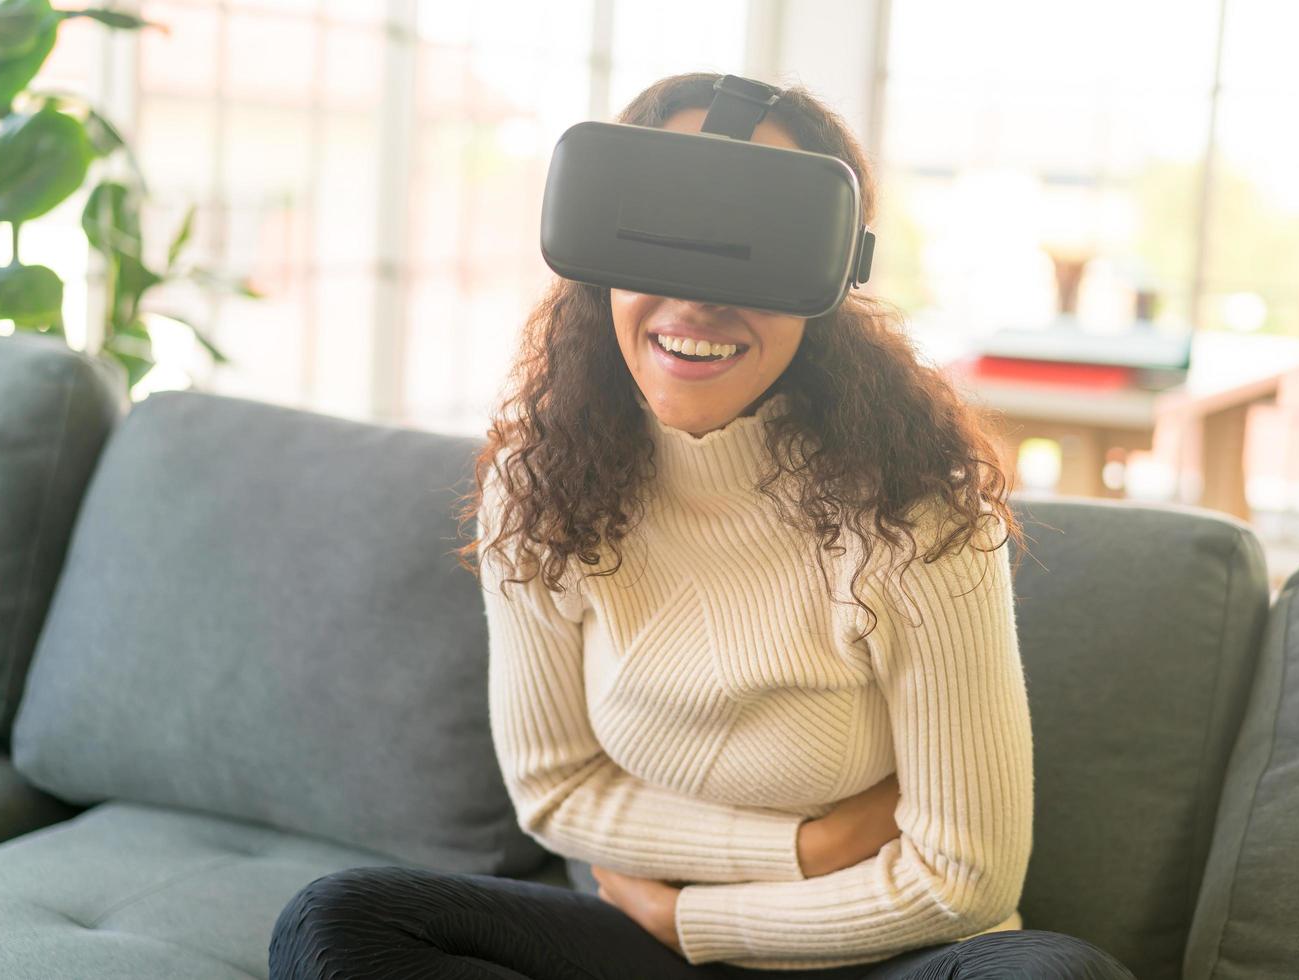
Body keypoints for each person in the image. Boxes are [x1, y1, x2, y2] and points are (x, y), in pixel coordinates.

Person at [268, 71, 1137, 980]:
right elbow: (556, 790)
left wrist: (700, 924)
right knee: (339, 922)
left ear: (830, 276)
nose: (695, 298)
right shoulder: (536, 489)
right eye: (663, 233)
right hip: (636, 942)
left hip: (880, 949)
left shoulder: (916, 513)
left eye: (750, 245)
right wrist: (810, 845)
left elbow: (964, 878)